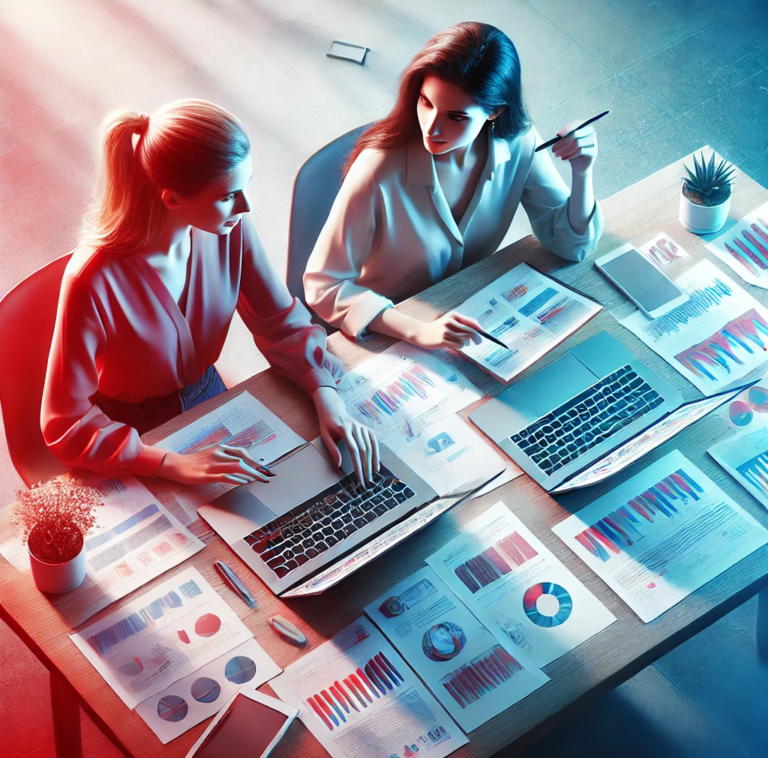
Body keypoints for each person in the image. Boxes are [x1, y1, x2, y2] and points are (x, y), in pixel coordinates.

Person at [42, 99, 379, 487]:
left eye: (245, 187)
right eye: (227, 196)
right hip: (131, 436)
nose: (246, 207)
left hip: (210, 394)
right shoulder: (90, 280)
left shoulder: (231, 228)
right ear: (172, 198)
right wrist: (168, 462)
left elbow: (280, 324)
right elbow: (66, 421)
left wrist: (325, 393)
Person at [304, 21, 603, 349]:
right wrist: (418, 330)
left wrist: (582, 172)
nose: (431, 128)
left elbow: (571, 245)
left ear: (494, 113)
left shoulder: (519, 143)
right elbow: (324, 286)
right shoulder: (378, 168)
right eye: (426, 102)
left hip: (468, 315)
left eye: (456, 116)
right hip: (385, 328)